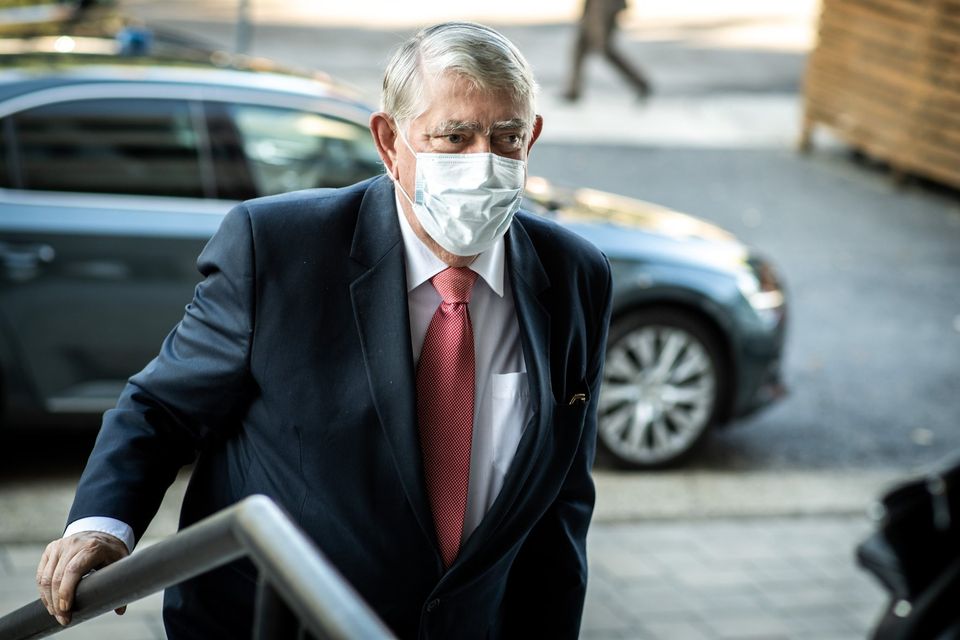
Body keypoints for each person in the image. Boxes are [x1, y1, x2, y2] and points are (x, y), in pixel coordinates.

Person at [35, 21, 612, 640]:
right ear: (389, 142)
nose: (483, 163)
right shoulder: (278, 248)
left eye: (506, 138)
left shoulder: (575, 274)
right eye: (454, 137)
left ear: (532, 138)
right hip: (278, 624)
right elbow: (163, 407)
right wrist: (101, 526)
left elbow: (562, 501)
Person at [563, 0, 652, 101]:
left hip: (605, 5)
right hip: (595, 6)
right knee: (581, 45)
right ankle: (573, 90)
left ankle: (641, 84)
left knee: (604, 48)